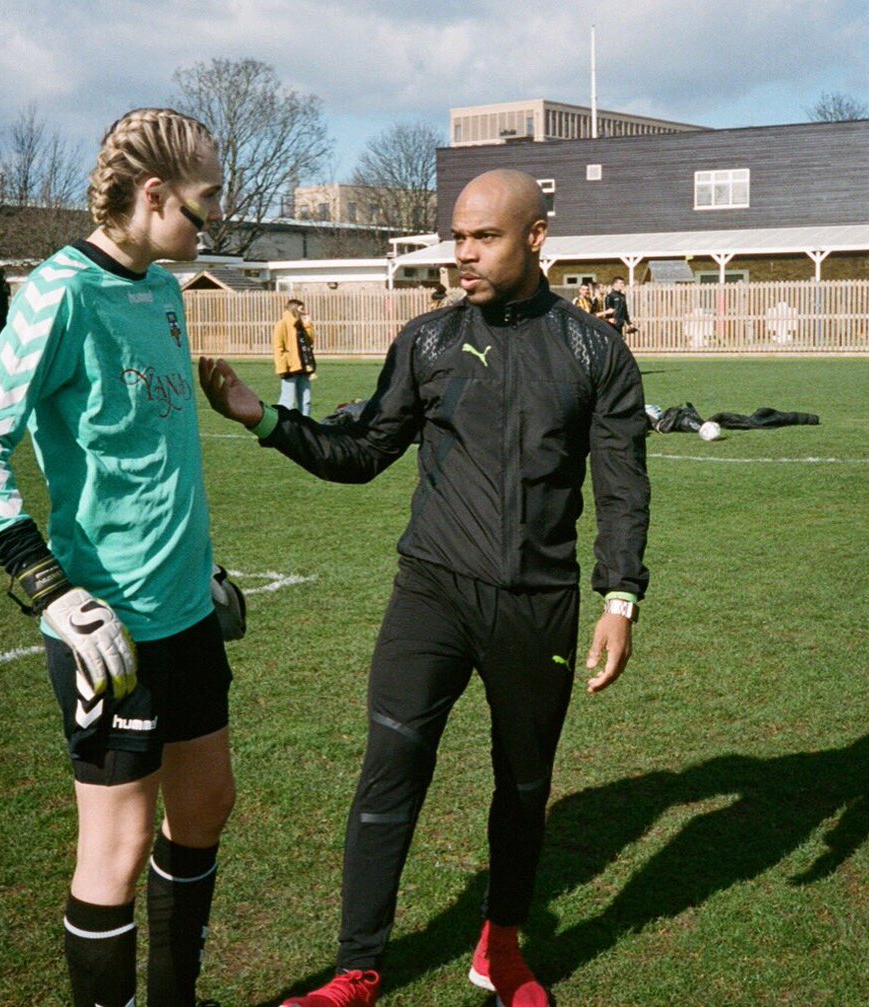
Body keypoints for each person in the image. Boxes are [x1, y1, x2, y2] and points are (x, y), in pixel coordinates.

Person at [199, 168, 650, 1007]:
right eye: (458, 237)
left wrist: (619, 598)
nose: (463, 254)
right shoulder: (428, 341)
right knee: (391, 766)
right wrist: (265, 419)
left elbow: (623, 487)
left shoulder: (596, 351)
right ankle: (356, 970)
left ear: (536, 239)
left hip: (537, 602)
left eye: (484, 237)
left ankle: (501, 948)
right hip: (432, 591)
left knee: (524, 786)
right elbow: (363, 450)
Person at [0, 108, 234, 1007]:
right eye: (207, 200)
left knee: (207, 803)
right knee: (117, 845)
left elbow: (149, 455)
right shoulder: (60, 294)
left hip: (186, 610)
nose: (214, 220)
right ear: (155, 195)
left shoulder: (165, 291)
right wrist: (50, 589)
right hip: (111, 630)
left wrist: (199, 564)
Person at [273, 298, 316, 415]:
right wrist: (282, 368)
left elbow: (310, 341)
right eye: (301, 309)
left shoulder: (301, 325)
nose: (304, 312)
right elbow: (278, 348)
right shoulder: (282, 324)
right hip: (289, 369)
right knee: (287, 402)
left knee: (306, 401)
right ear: (294, 309)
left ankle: (305, 424)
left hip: (304, 367)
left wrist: (308, 324)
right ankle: (281, 423)